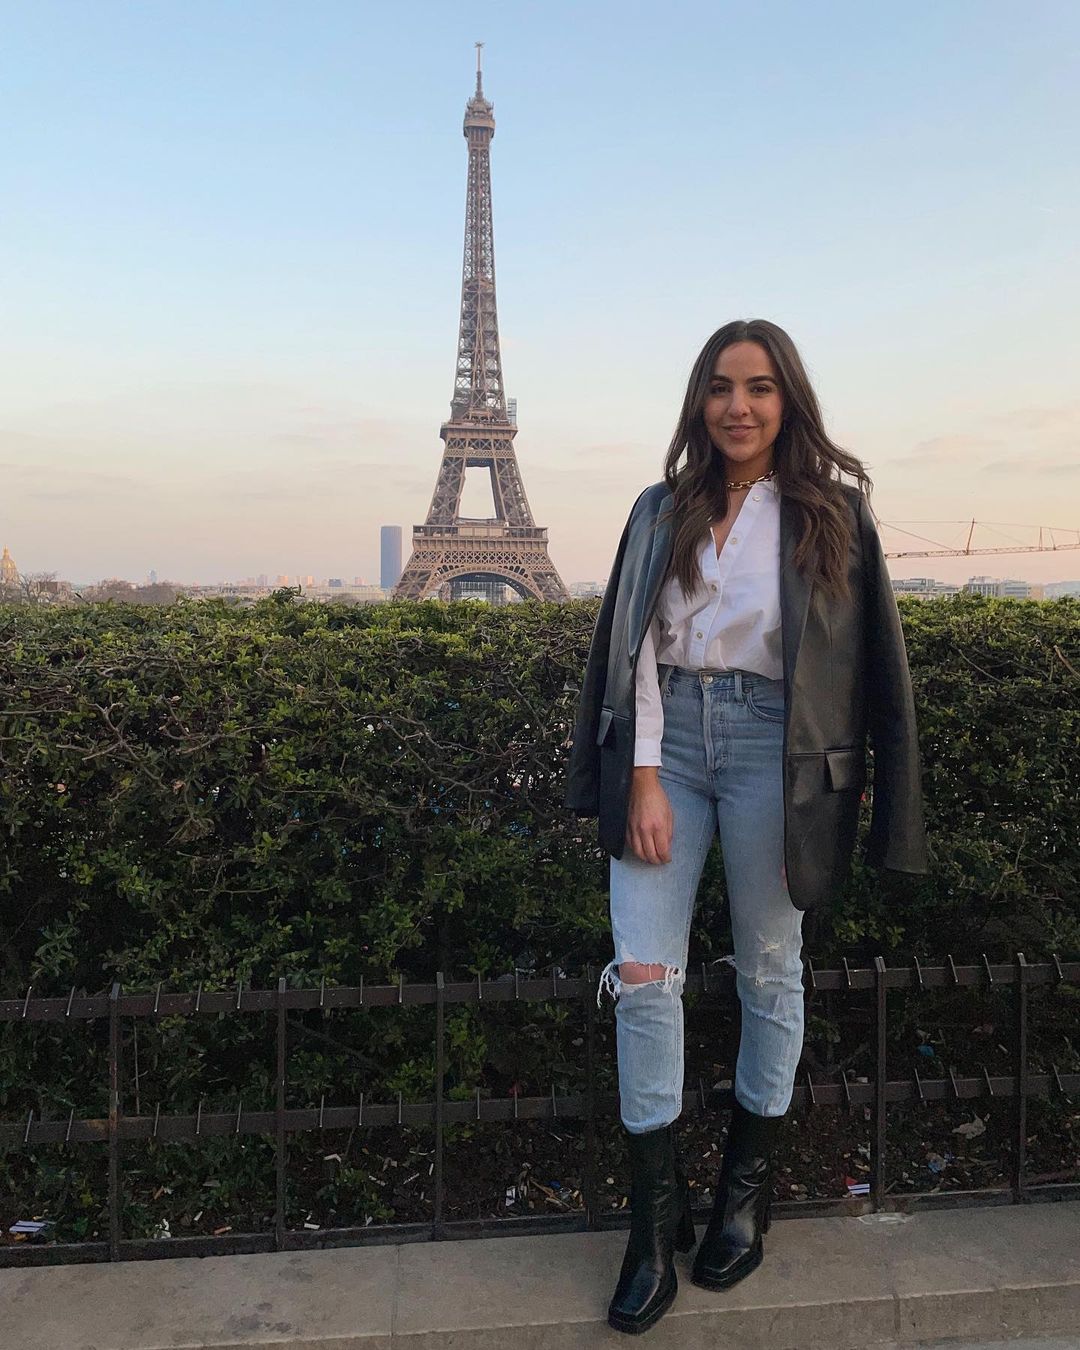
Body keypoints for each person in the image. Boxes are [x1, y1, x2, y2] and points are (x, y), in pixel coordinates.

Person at [563, 318, 929, 1335]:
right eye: (722, 386)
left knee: (771, 969)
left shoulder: (834, 515)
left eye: (760, 387)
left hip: (781, 748)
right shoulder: (660, 509)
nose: (739, 406)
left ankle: (742, 1193)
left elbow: (875, 666)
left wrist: (884, 802)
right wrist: (642, 774)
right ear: (700, 400)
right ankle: (652, 1224)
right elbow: (633, 648)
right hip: (670, 741)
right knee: (645, 975)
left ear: (787, 400)